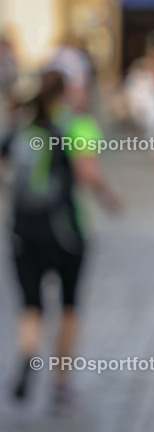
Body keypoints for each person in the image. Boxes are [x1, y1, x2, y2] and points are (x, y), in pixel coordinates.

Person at [4, 70, 120, 406]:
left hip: (23, 227)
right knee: (69, 303)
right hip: (66, 229)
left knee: (30, 303)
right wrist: (111, 198)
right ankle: (60, 381)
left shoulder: (23, 126)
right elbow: (87, 173)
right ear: (68, 91)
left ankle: (28, 353)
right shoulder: (77, 125)